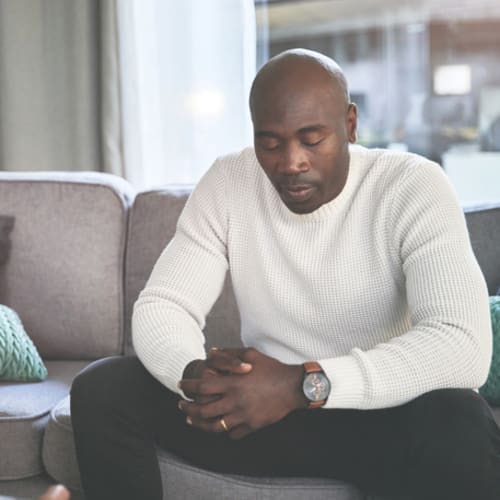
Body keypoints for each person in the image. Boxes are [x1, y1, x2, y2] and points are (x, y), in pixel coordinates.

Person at [70, 49, 499, 500]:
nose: (290, 162)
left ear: (350, 125)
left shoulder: (412, 185)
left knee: (458, 416)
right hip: (260, 415)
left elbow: (461, 345)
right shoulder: (230, 182)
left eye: (312, 139)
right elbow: (164, 305)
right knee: (104, 388)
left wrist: (300, 384)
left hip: (377, 414)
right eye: (270, 143)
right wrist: (198, 377)